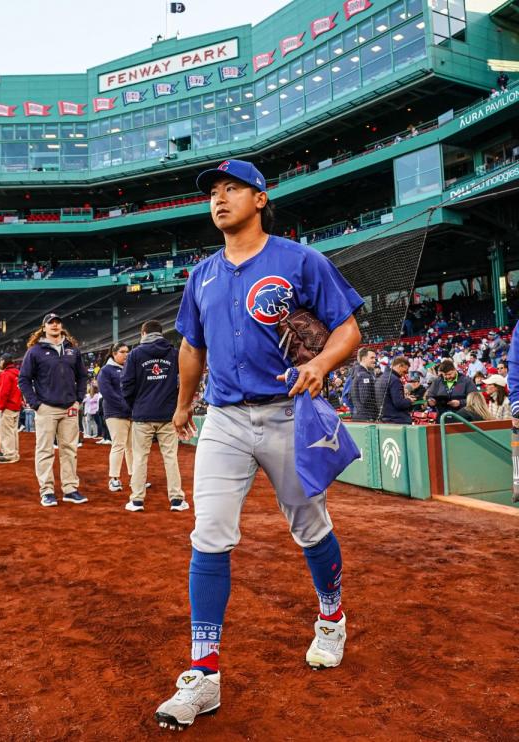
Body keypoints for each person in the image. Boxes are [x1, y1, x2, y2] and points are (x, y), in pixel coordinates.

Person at [157, 159, 363, 731]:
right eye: (213, 193)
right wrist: (181, 406)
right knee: (209, 533)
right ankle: (203, 674)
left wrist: (322, 361)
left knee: (310, 526)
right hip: (223, 418)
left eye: (232, 189)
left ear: (261, 198)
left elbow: (348, 326)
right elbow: (191, 348)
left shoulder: (299, 260)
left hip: (286, 414)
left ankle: (331, 616)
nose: (219, 199)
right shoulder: (201, 275)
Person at [18, 312, 88, 507]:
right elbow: (23, 379)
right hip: (46, 408)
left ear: (61, 326)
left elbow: (82, 376)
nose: (55, 326)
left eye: (57, 322)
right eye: (51, 323)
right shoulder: (35, 351)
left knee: (70, 450)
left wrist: (78, 400)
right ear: (44, 327)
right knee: (44, 451)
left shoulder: (72, 349)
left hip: (69, 408)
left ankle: (70, 489)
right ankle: (47, 491)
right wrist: (35, 403)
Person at [120, 320, 187, 512]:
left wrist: (135, 406)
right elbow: (183, 382)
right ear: (161, 333)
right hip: (168, 414)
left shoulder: (135, 355)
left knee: (140, 457)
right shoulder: (173, 353)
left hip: (143, 415)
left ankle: (137, 500)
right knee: (170, 457)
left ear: (143, 333)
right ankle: (176, 500)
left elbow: (126, 385)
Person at [97, 342, 134, 492]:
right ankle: (114, 479)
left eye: (127, 352)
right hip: (115, 413)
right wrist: (126, 407)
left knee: (132, 447)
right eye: (123, 352)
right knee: (119, 445)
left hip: (131, 413)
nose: (126, 354)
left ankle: (135, 478)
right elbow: (108, 393)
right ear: (114, 353)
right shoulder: (106, 371)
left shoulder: (129, 369)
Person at [0, 353, 22, 464]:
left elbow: (3, 394)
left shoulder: (6, 374)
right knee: (13, 431)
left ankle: (9, 455)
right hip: (16, 406)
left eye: (0, 360)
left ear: (4, 361)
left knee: (6, 432)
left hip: (8, 406)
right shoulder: (17, 373)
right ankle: (14, 453)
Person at [374, 356, 413, 424]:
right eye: (405, 371)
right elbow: (399, 403)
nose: (405, 374)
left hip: (384, 419)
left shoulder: (380, 378)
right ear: (399, 366)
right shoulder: (395, 380)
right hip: (397, 420)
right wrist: (409, 400)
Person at [348, 348, 378, 421]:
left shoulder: (356, 373)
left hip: (359, 415)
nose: (374, 360)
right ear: (364, 358)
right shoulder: (364, 375)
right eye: (372, 358)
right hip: (366, 417)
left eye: (375, 358)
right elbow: (365, 398)